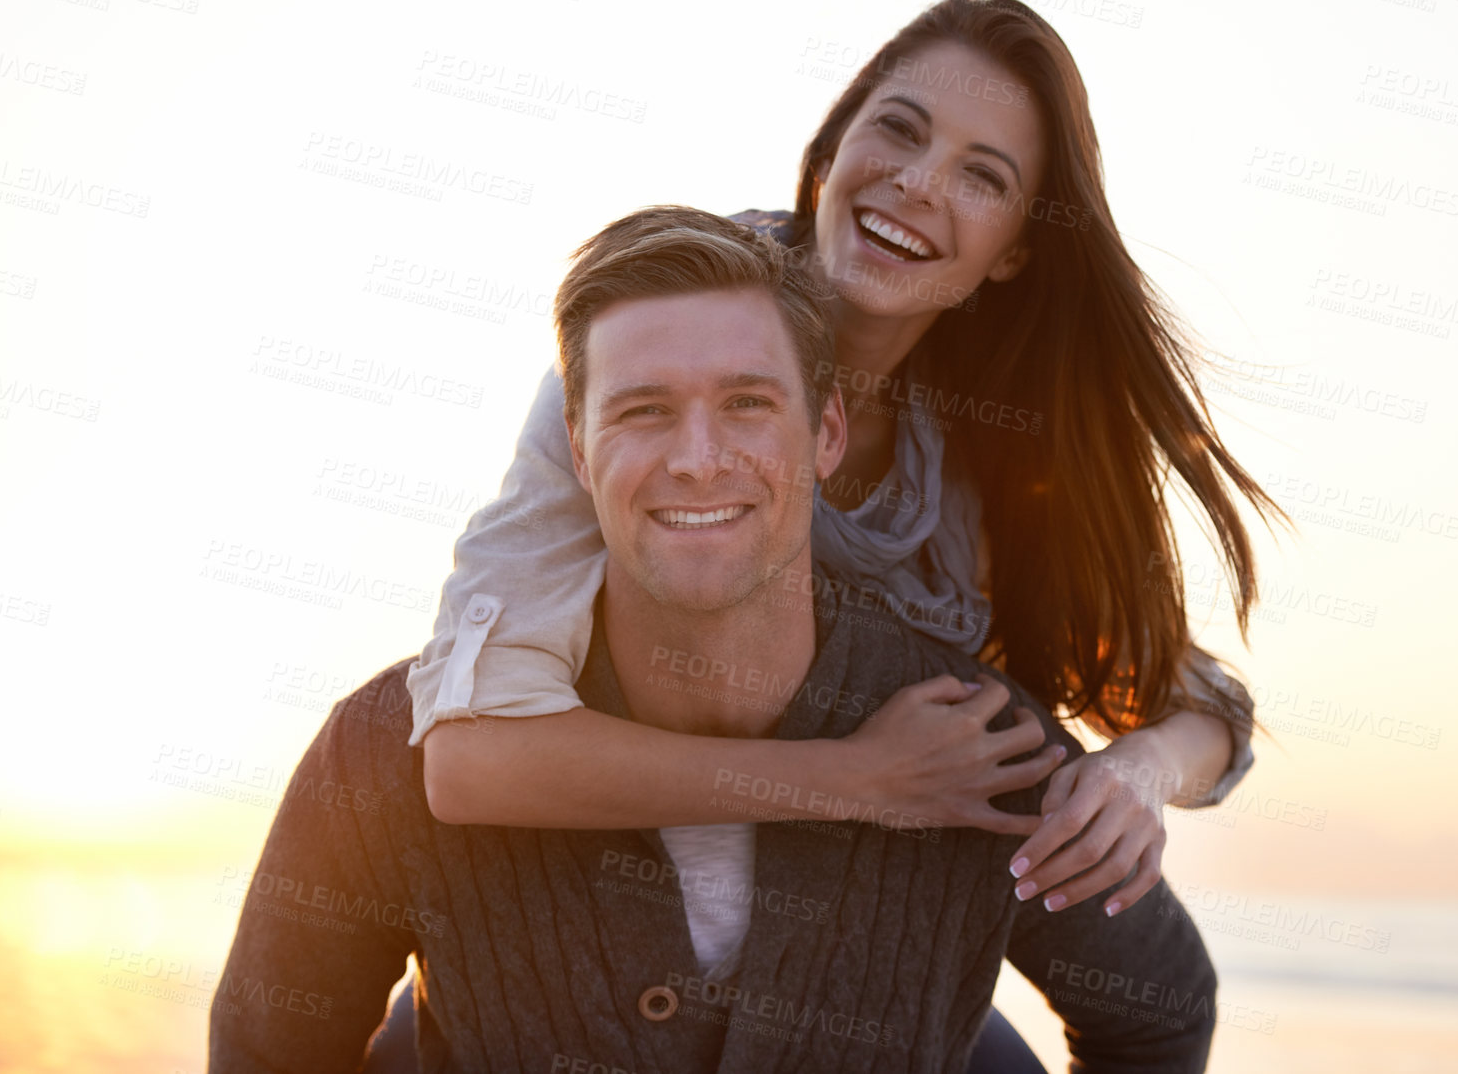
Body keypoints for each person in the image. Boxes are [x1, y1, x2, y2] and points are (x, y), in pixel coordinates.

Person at [210, 206, 1219, 1073]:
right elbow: (270, 1051)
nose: (698, 459)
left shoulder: (973, 748)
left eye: (747, 404)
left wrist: (1150, 761)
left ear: (826, 433)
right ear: (577, 444)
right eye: (644, 411)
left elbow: (1157, 1011)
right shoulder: (388, 747)